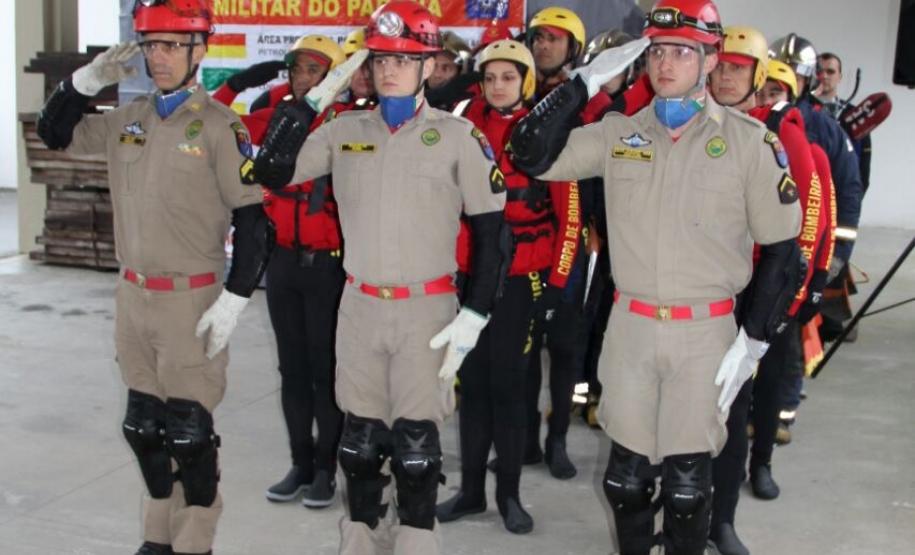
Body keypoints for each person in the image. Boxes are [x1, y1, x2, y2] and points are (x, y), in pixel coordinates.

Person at [509, 0, 803, 552]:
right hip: (632, 328)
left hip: (705, 333)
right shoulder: (618, 133)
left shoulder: (748, 143)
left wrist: (756, 339)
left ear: (711, 59)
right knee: (627, 481)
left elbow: (786, 251)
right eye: (657, 51)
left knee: (690, 487)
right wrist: (578, 85)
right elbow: (528, 155)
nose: (665, 64)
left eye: (682, 53)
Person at [247, 2, 506, 553]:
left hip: (426, 310)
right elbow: (271, 172)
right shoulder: (342, 131)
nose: (390, 69)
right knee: (360, 448)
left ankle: (414, 543)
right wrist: (301, 109)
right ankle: (360, 543)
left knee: (416, 452)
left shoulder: (458, 137)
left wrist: (476, 312)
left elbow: (492, 233)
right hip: (359, 306)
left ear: (430, 65)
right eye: (382, 58)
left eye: (405, 59)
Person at [36, 1, 273, 554]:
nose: (157, 58)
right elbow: (55, 134)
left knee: (189, 434)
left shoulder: (220, 126)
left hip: (191, 300)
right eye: (150, 46)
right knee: (144, 428)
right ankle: (156, 538)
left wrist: (235, 300)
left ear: (199, 51)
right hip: (133, 296)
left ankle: (194, 545)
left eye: (170, 46)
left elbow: (253, 222)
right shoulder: (129, 119)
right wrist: (85, 81)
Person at [436, 39, 581, 534]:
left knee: (510, 388)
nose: (499, 86)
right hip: (470, 280)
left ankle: (510, 495)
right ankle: (471, 492)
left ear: (526, 81)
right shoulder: (460, 126)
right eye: (491, 77)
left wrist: (557, 287)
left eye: (509, 77)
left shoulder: (547, 133)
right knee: (471, 386)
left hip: (523, 282)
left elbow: (570, 216)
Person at [707, 26, 834, 555]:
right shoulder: (701, 126)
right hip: (704, 289)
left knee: (738, 408)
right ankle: (685, 511)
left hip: (762, 290)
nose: (730, 77)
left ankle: (729, 512)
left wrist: (794, 296)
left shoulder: (788, 138)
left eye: (743, 70)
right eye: (723, 67)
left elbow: (809, 227)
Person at [213, 34, 345, 143]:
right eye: (296, 69)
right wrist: (233, 86)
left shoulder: (351, 120)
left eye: (313, 70)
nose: (300, 79)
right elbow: (203, 129)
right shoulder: (271, 120)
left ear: (335, 76)